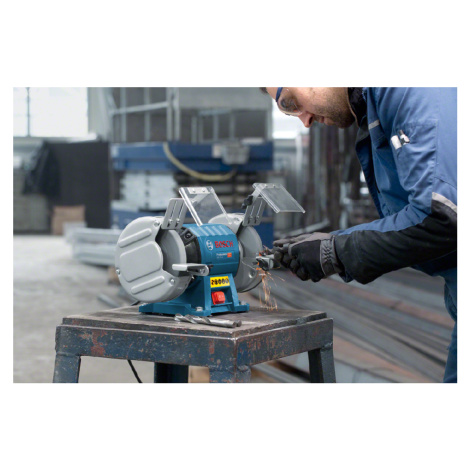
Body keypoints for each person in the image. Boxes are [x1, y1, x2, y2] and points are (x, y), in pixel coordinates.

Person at [262, 87, 457, 383]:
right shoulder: (375, 106)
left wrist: (336, 251)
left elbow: (443, 214)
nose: (304, 120)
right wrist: (333, 242)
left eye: (290, 103)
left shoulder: (406, 89)